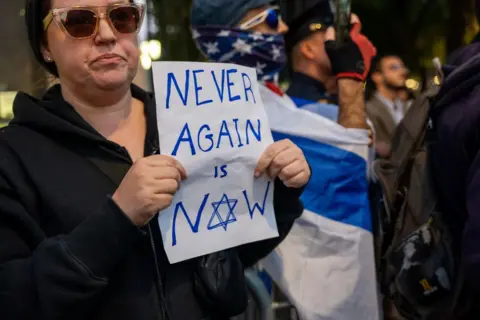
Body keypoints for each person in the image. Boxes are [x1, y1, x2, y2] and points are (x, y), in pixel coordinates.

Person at [0, 0, 311, 319]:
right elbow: (13, 297)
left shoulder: (196, 123)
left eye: (122, 16)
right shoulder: (13, 155)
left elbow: (231, 255)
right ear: (44, 45)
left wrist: (280, 193)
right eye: (79, 21)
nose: (107, 34)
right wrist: (118, 218)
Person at [366, 55, 409, 158]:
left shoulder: (410, 107)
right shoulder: (367, 109)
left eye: (402, 67)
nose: (402, 72)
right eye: (394, 68)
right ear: (377, 77)